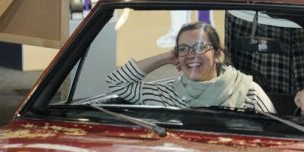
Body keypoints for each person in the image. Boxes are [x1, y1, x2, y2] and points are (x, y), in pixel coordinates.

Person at [105, 22, 275, 113]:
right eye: (184, 49)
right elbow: (117, 83)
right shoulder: (163, 94)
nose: (192, 55)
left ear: (217, 54)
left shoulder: (248, 92)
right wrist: (164, 57)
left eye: (200, 47)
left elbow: (274, 137)